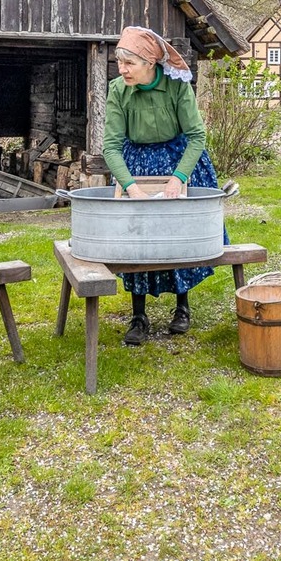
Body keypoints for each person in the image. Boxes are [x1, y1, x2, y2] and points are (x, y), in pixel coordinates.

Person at [102, 26, 224, 346]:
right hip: (137, 163)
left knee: (177, 233)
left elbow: (197, 137)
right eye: (120, 62)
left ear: (151, 63)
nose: (123, 69)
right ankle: (138, 315)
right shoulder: (118, 90)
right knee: (137, 237)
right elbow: (111, 147)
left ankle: (182, 307)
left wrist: (179, 177)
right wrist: (129, 186)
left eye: (130, 63)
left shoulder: (177, 87)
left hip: (177, 158)